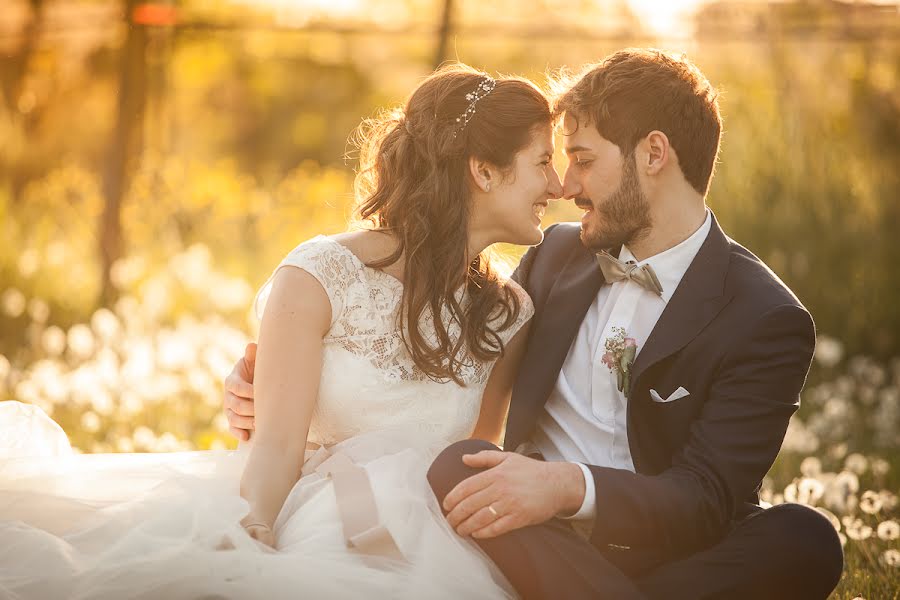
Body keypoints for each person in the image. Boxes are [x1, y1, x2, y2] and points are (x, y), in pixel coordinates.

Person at [227, 50, 845, 599]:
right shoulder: (553, 260)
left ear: (654, 154)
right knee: (460, 468)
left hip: (672, 553)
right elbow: (430, 337)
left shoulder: (765, 316)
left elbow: (707, 498)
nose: (565, 185)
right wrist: (272, 380)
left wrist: (567, 487)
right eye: (555, 162)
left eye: (581, 159)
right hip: (531, 543)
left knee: (807, 539)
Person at [0, 64, 562, 599]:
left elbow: (475, 455)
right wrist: (255, 532)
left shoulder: (507, 313)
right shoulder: (321, 274)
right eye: (543, 162)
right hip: (310, 510)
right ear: (483, 171)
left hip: (438, 543)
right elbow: (275, 445)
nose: (558, 184)